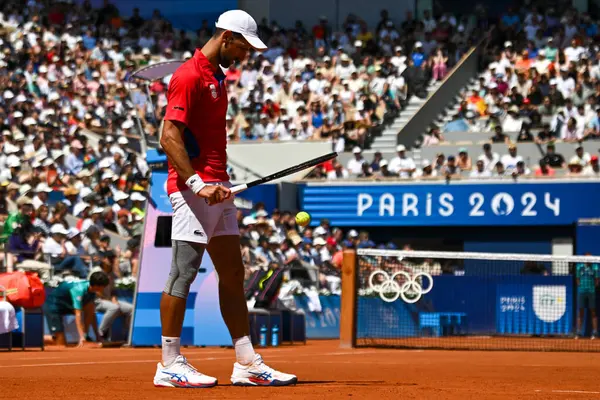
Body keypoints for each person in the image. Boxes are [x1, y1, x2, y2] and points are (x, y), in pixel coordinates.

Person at [156, 9, 296, 388]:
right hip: (192, 191)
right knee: (182, 274)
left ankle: (246, 362)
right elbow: (168, 136)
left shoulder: (218, 76)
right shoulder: (188, 75)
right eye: (244, 46)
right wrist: (198, 183)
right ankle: (169, 363)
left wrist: (212, 182)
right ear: (226, 38)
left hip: (219, 188)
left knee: (234, 274)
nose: (247, 55)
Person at [43, 271, 110, 347]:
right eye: (104, 286)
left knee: (90, 307)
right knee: (61, 344)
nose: (104, 289)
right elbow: (78, 315)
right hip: (53, 306)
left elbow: (92, 314)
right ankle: (40, 339)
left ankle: (86, 335)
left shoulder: (92, 290)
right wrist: (81, 337)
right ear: (98, 286)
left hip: (66, 304)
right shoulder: (79, 290)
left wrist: (98, 336)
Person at [576, 254, 599, 339]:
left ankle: (595, 332)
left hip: (591, 292)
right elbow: (577, 279)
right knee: (580, 311)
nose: (588, 260)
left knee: (593, 312)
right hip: (582, 292)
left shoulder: (595, 267)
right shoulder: (579, 267)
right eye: (587, 258)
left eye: (590, 258)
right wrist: (581, 286)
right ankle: (578, 332)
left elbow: (597, 280)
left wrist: (592, 288)